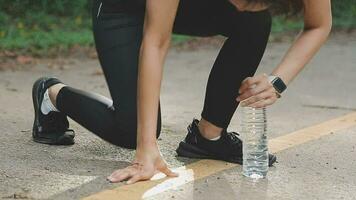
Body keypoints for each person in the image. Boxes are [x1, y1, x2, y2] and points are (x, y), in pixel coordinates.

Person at [31, 0, 332, 184]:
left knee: (255, 18)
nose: (238, 5)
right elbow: (155, 43)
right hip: (122, 6)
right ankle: (50, 93)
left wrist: (278, 82)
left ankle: (208, 136)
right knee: (130, 131)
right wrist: (145, 147)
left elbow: (319, 24)